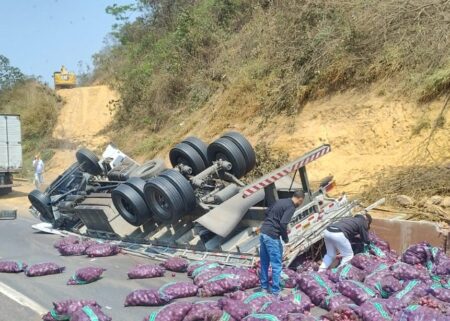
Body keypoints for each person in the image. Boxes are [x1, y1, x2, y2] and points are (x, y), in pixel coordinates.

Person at [259, 190, 305, 296]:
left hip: (263, 232)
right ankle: (275, 291)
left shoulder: (280, 201)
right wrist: (285, 238)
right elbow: (283, 223)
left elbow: (267, 212)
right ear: (300, 199)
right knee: (276, 265)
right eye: (301, 202)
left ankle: (264, 287)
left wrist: (271, 222)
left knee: (264, 263)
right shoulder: (291, 207)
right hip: (272, 236)